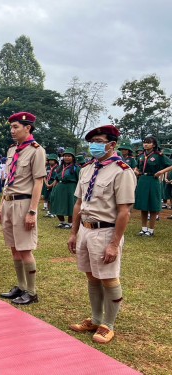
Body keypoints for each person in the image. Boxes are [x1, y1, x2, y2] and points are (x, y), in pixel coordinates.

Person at [67, 125, 137, 344]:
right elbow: (79, 203)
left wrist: (114, 244)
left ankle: (109, 324)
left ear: (111, 144)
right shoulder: (87, 168)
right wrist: (73, 232)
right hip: (86, 231)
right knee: (91, 275)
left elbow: (125, 211)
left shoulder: (122, 170)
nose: (93, 145)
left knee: (108, 277)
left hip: (106, 230)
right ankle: (96, 319)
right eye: (92, 141)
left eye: (98, 140)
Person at [0, 112, 46, 305]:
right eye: (11, 127)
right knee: (14, 247)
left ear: (28, 128)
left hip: (24, 203)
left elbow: (38, 182)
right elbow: (8, 181)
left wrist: (32, 211)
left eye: (16, 127)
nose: (12, 131)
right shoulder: (12, 150)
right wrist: (2, 203)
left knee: (25, 249)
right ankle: (21, 286)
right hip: (9, 202)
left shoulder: (37, 151)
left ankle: (32, 291)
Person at [134, 136, 172, 236]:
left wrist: (161, 172)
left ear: (154, 144)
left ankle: (151, 230)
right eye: (144, 142)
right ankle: (143, 229)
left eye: (148, 142)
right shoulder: (141, 156)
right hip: (143, 180)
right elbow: (137, 167)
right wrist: (136, 170)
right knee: (143, 205)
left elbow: (170, 165)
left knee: (153, 205)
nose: (145, 144)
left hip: (153, 180)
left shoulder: (159, 155)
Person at [50, 148, 79, 229]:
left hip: (71, 188)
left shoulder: (76, 168)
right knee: (57, 204)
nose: (67, 157)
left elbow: (80, 180)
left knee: (71, 205)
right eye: (65, 156)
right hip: (59, 188)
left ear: (73, 158)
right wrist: (53, 189)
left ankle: (70, 223)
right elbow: (56, 179)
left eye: (69, 156)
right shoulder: (59, 167)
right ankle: (62, 222)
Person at [43, 154, 58, 218]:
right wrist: (46, 184)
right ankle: (49, 212)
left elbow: (57, 178)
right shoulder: (48, 168)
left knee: (52, 198)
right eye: (49, 160)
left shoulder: (58, 168)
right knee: (47, 198)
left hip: (54, 183)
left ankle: (53, 212)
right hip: (47, 183)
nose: (50, 161)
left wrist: (51, 185)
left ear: (55, 161)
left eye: (52, 160)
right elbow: (44, 176)